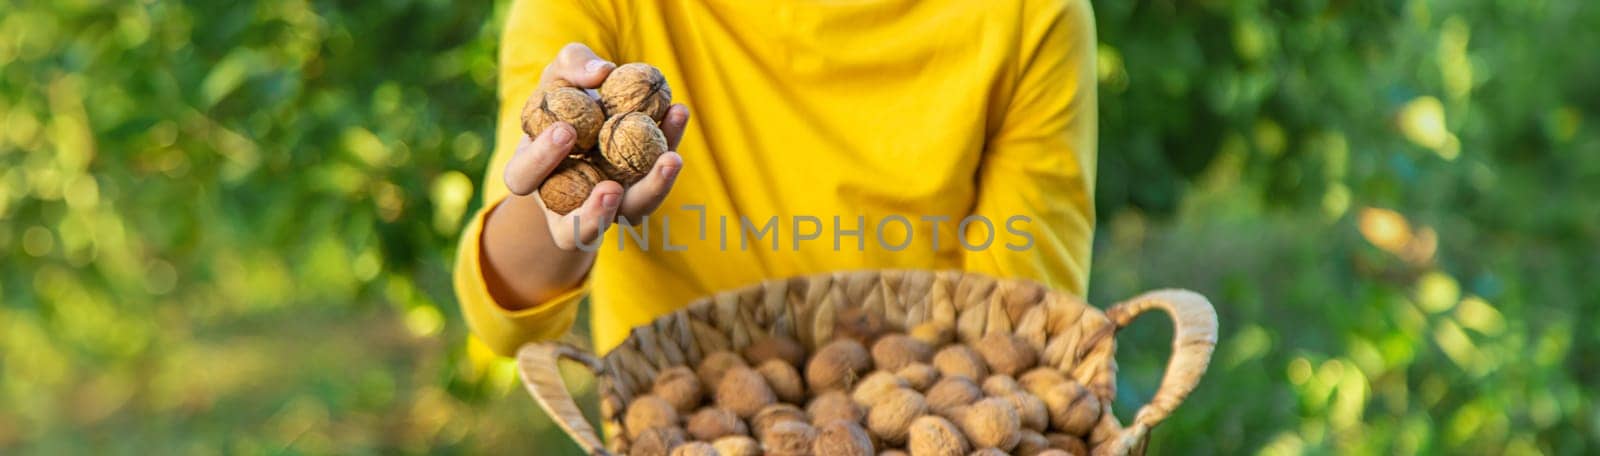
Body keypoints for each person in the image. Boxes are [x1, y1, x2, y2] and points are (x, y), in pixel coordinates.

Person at [455, 0, 1098, 357]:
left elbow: (1018, 331)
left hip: (913, 408)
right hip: (680, 419)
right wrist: (559, 199)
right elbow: (505, 318)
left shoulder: (1031, 13)